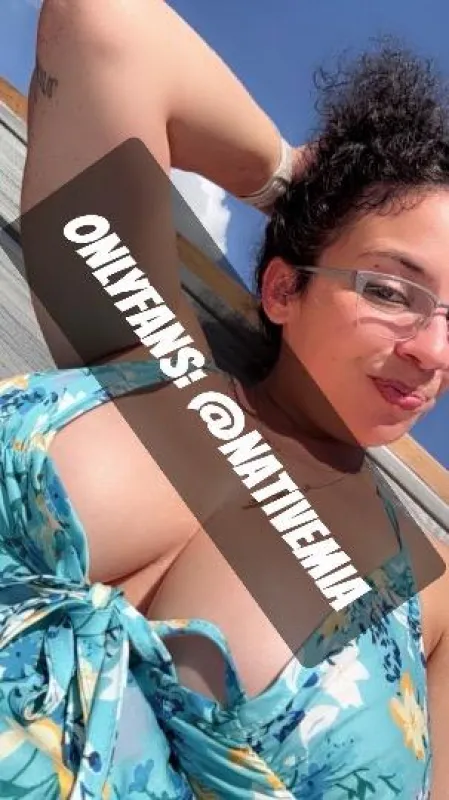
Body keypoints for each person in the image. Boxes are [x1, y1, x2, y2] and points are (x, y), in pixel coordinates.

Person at [0, 0, 448, 797]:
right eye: (388, 289)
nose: (432, 352)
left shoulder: (433, 597)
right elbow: (105, 28)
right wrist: (293, 182)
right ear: (280, 289)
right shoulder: (147, 350)